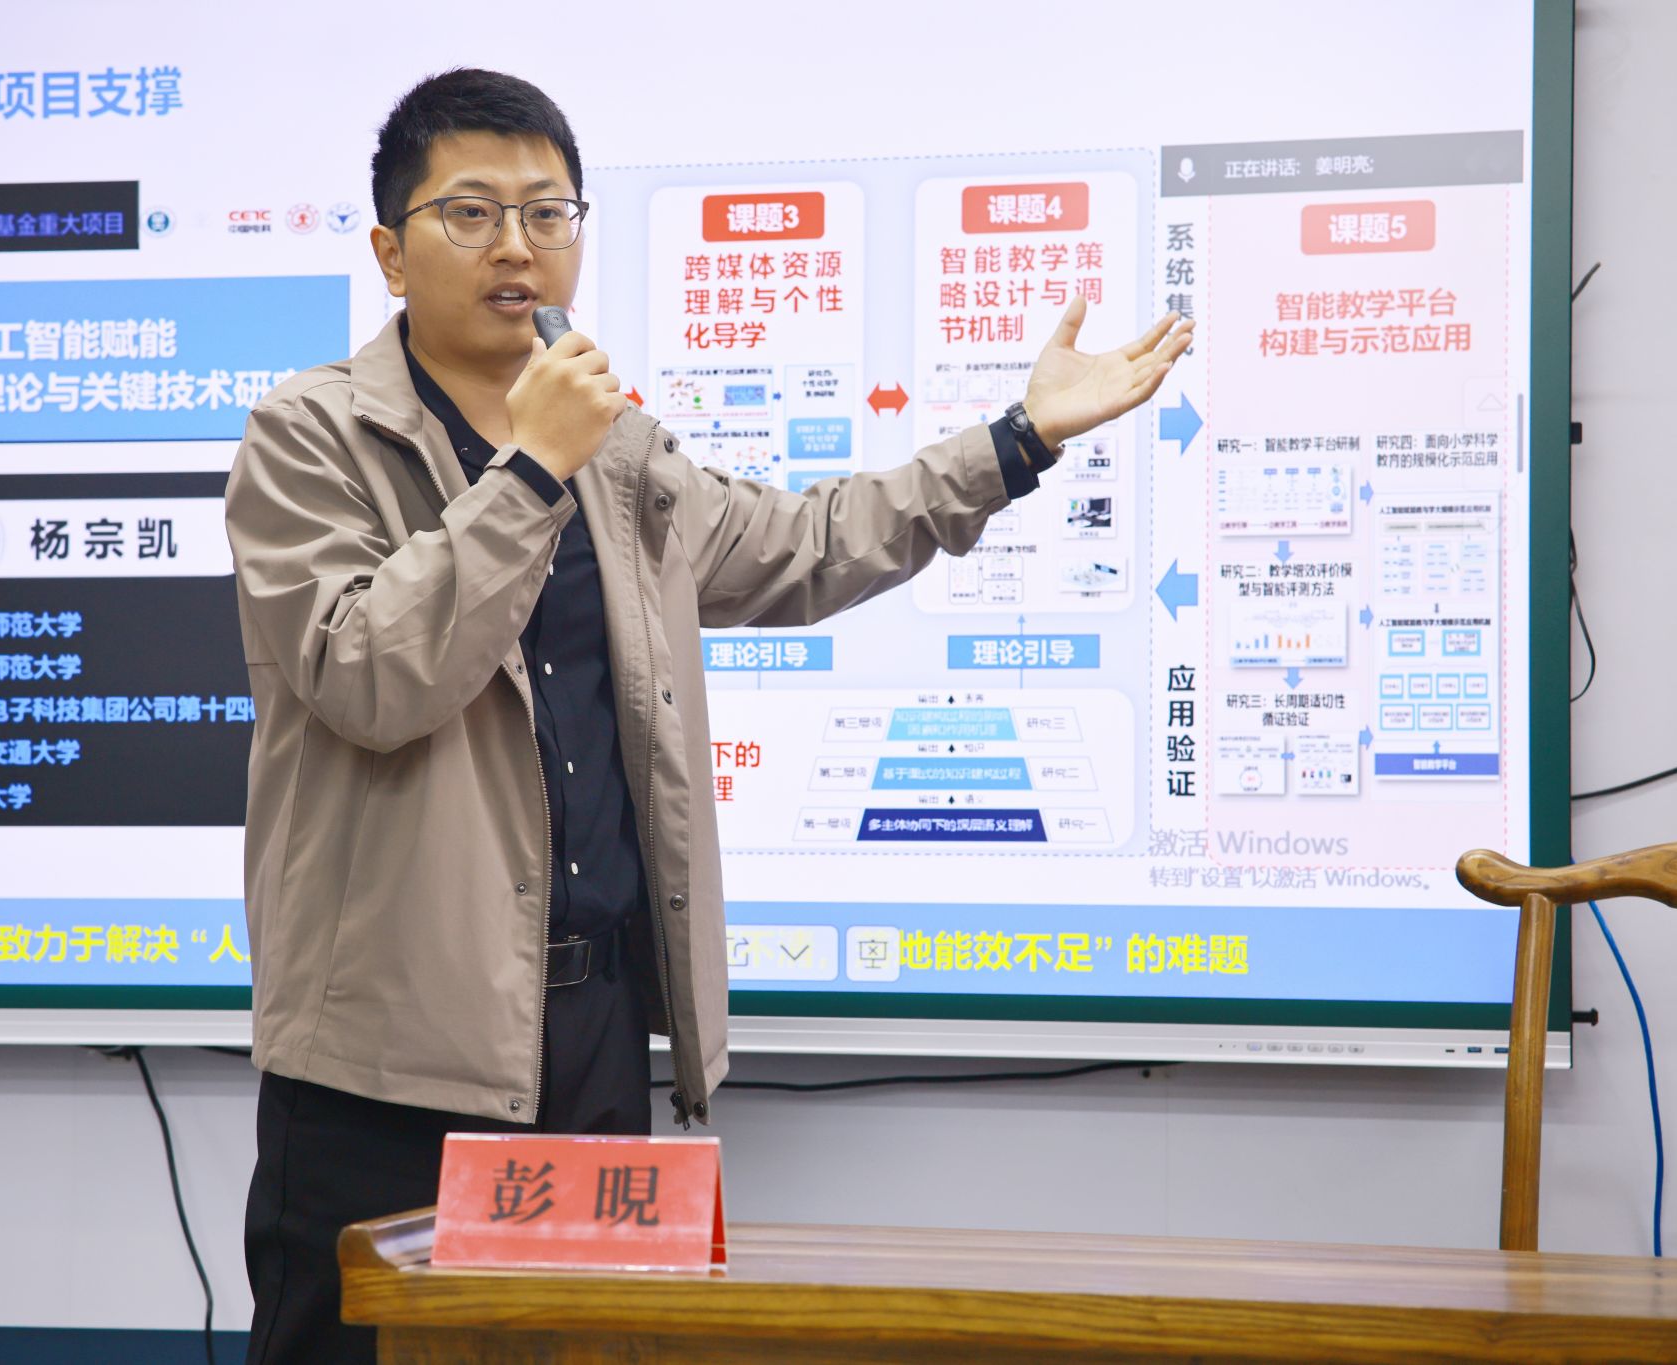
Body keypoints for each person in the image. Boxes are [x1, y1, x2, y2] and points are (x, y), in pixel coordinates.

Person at [223, 67, 1191, 1364]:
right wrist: (530, 467)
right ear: (391, 252)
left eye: (547, 212)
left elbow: (806, 543)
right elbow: (371, 675)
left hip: (589, 1040)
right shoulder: (310, 437)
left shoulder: (619, 453)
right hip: (388, 1065)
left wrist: (1015, 441)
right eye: (471, 213)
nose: (516, 246)